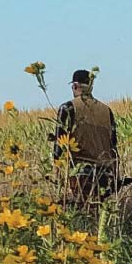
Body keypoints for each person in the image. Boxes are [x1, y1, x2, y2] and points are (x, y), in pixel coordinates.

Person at [52, 69, 120, 207]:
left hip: (80, 171)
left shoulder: (68, 108)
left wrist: (56, 170)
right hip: (105, 172)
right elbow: (113, 144)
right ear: (91, 87)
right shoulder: (107, 110)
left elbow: (59, 144)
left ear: (75, 86)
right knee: (97, 211)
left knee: (82, 210)